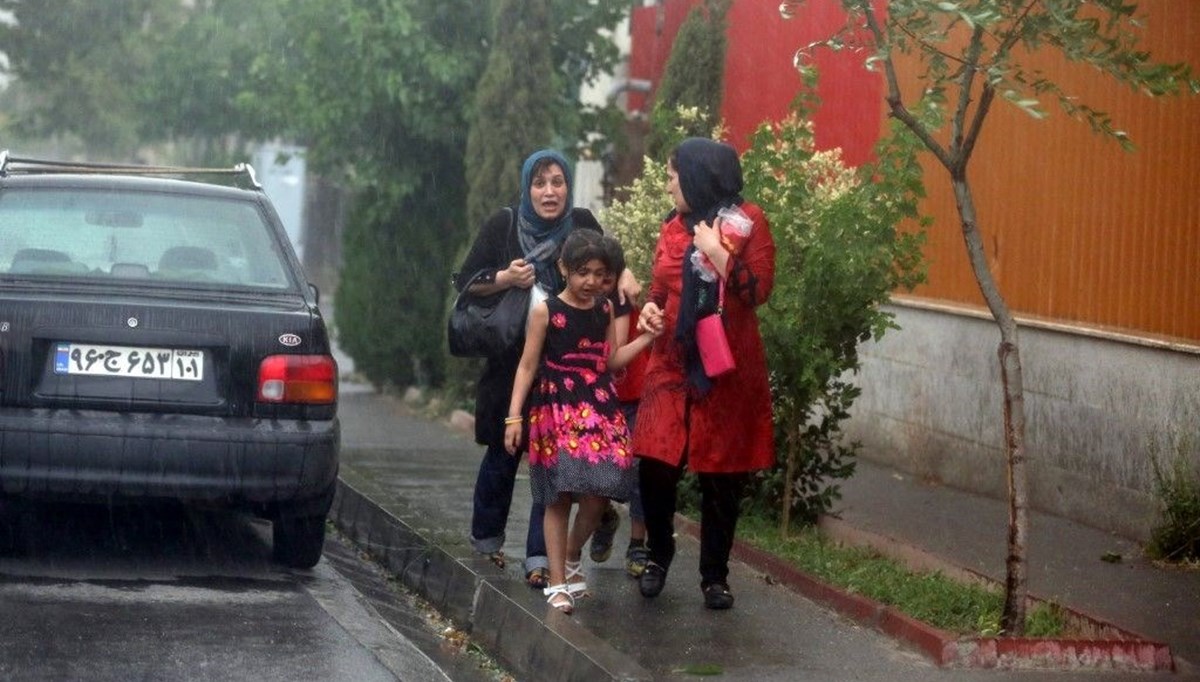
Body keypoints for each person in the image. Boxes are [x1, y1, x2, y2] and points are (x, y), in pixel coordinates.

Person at [455, 149, 638, 588]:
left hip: (564, 371)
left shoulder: (580, 222)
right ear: (527, 188)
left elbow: (610, 262)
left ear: (568, 186)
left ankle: (539, 557)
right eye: (540, 183)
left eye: (557, 182)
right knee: (502, 454)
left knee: (548, 465)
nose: (549, 192)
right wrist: (504, 278)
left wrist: (628, 276)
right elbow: (465, 281)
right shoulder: (505, 223)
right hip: (511, 363)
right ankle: (487, 543)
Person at [632, 138, 776, 610]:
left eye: (674, 174)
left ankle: (714, 575)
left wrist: (716, 251)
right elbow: (657, 288)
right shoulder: (672, 228)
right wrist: (650, 312)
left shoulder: (748, 221)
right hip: (671, 363)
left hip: (726, 367)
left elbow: (757, 293)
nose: (669, 182)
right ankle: (658, 554)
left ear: (697, 176)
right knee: (655, 464)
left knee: (722, 477)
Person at [504, 229, 658, 614]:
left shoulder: (604, 309)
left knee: (605, 483)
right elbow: (526, 366)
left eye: (598, 273)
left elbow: (609, 362)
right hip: (555, 405)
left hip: (599, 404)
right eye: (581, 272)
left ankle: (573, 554)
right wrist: (513, 417)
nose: (590, 281)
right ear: (563, 269)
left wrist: (647, 339)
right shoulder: (547, 312)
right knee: (557, 496)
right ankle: (557, 582)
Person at [588, 236, 650, 577]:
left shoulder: (623, 299)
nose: (598, 284)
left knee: (639, 470)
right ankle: (605, 516)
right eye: (592, 275)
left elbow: (619, 351)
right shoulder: (581, 301)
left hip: (633, 396)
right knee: (594, 470)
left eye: (607, 278)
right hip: (595, 400)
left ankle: (638, 543)